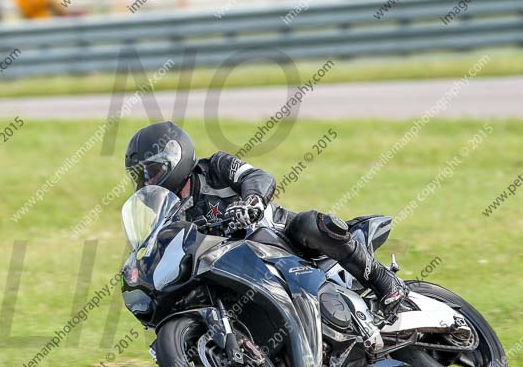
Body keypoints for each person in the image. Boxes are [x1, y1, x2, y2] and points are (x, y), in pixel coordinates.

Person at [124, 121, 406, 316]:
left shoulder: (215, 168)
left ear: (175, 156)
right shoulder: (168, 209)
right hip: (234, 267)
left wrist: (253, 201)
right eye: (141, 176)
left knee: (311, 223)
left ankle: (384, 282)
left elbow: (257, 176)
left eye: (151, 171)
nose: (148, 180)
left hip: (279, 238)